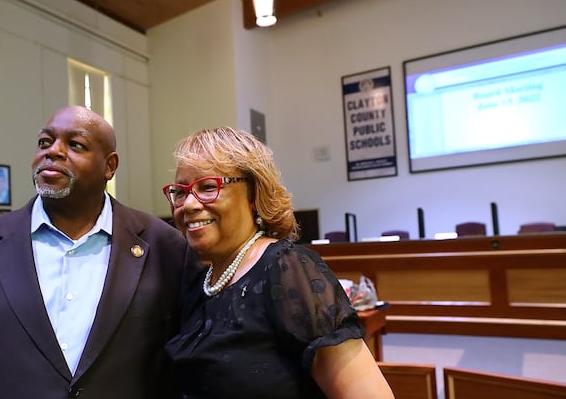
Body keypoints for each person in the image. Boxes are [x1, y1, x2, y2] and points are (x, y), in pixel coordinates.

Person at [0, 105, 198, 398]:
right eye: (45, 142)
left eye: (75, 145)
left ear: (109, 166)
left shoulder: (167, 248)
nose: (53, 151)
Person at [161, 126, 394, 399]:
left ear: (253, 195)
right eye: (180, 191)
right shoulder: (199, 282)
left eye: (208, 187)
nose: (188, 204)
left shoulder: (287, 268)